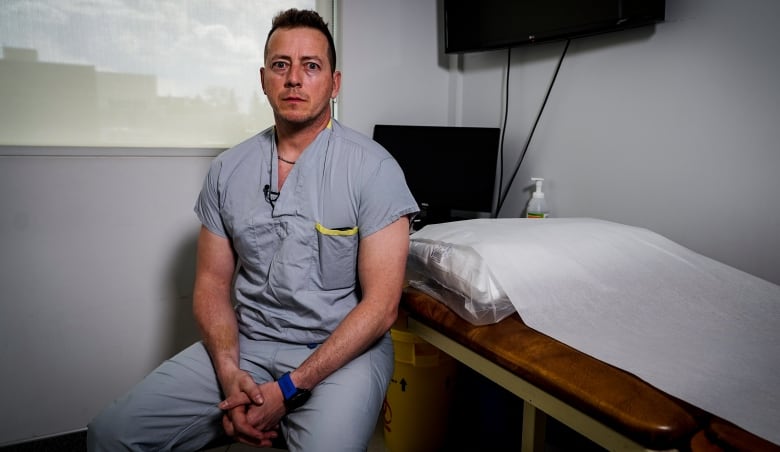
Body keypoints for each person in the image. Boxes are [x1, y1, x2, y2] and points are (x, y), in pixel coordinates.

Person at [87, 8, 418, 451]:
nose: (294, 79)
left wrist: (288, 390)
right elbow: (211, 283)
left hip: (343, 352)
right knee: (111, 435)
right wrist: (229, 373)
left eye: (311, 66)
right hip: (250, 342)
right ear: (264, 79)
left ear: (334, 83)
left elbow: (380, 308)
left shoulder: (374, 170)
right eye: (281, 65)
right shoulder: (229, 169)